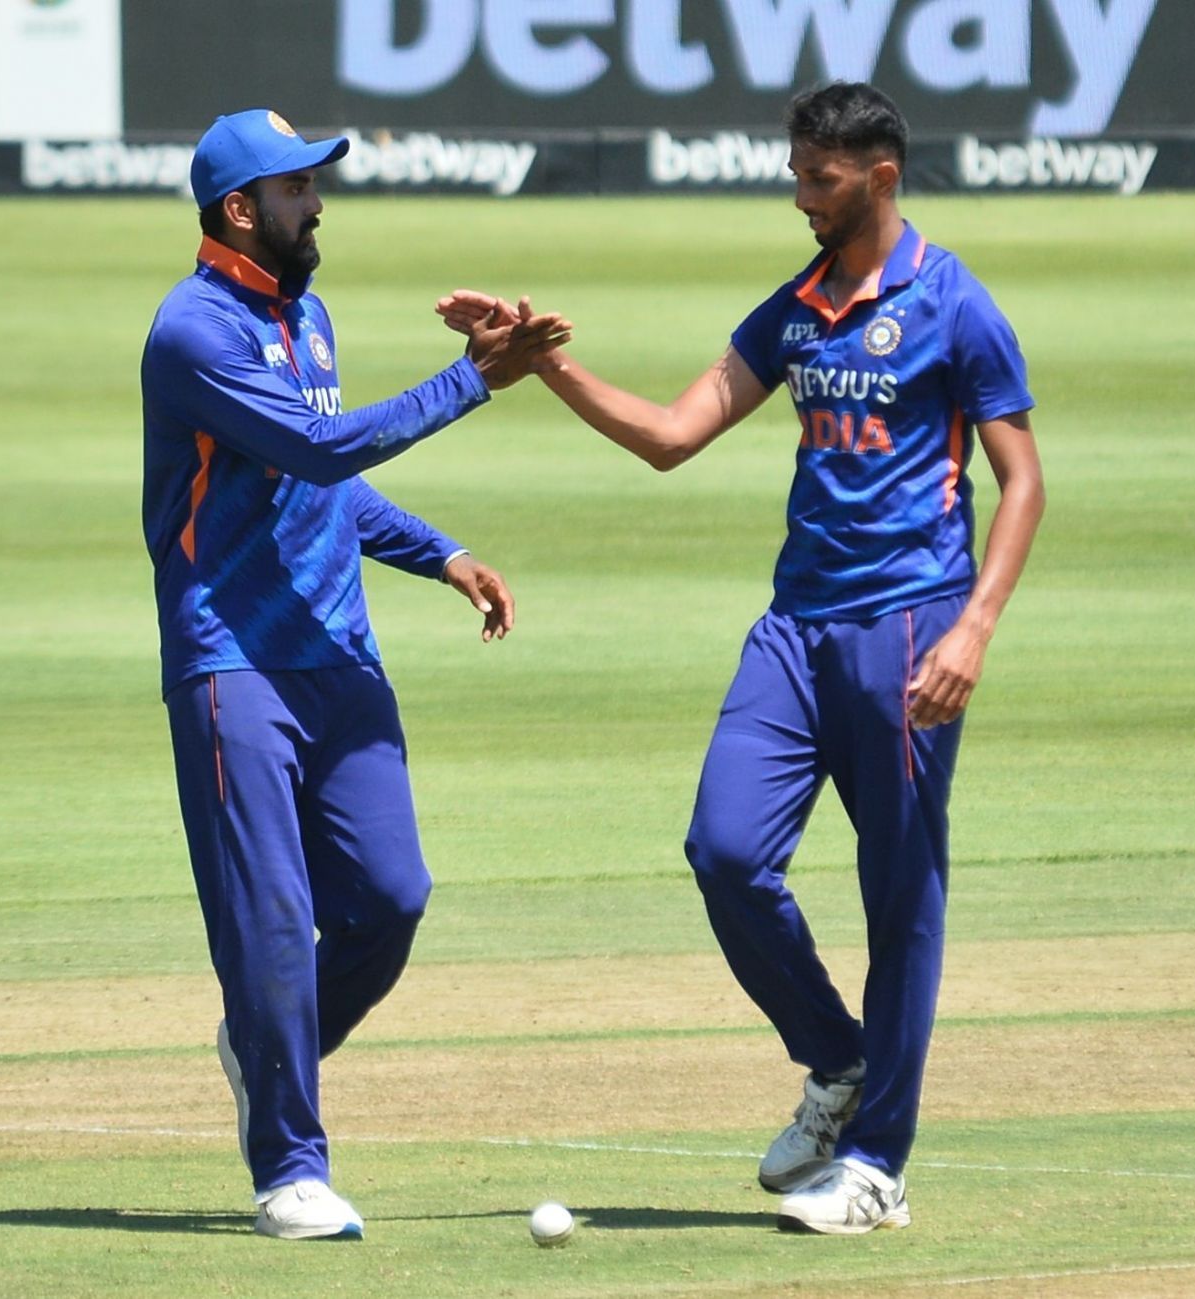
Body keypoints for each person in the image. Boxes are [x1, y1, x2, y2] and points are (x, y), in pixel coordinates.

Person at [440, 81, 1045, 1235]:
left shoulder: (956, 304)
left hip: (912, 622)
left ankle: (876, 1168)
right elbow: (673, 435)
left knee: (900, 895)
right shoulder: (797, 309)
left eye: (818, 178)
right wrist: (543, 367)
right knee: (723, 850)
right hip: (795, 629)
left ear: (879, 175)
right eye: (796, 174)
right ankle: (837, 1058)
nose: (800, 196)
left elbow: (1025, 482)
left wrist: (974, 627)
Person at [140, 108, 569, 1241]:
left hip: (340, 661)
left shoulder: (306, 317)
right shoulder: (192, 331)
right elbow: (323, 449)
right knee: (274, 923)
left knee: (391, 898)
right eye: (297, 189)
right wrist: (469, 382)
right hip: (236, 666)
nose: (317, 202)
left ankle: (261, 1048)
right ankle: (290, 1165)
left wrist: (442, 554)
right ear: (243, 209)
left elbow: (315, 486)